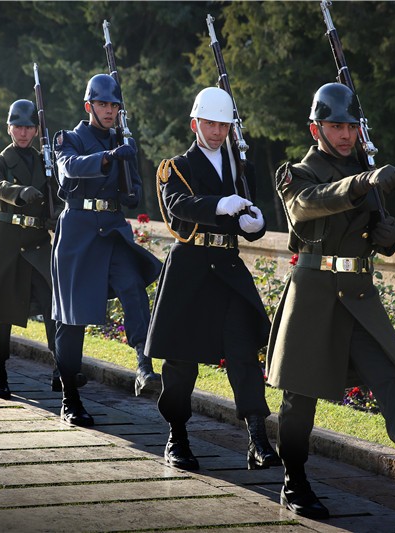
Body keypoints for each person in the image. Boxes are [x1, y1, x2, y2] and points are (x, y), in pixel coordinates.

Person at [266, 82, 395, 519]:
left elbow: (381, 233)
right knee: (299, 398)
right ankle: (293, 479)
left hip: (357, 293)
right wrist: (362, 181)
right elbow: (305, 207)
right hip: (314, 293)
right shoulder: (296, 173)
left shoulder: (365, 169)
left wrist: (387, 234)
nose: (344, 133)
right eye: (335, 125)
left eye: (351, 126)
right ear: (315, 128)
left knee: (390, 375)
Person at [145, 87, 278, 472]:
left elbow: (249, 219)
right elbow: (176, 207)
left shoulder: (241, 167)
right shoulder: (176, 167)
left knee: (243, 354)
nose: (217, 131)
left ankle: (257, 438)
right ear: (195, 123)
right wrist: (220, 204)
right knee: (181, 361)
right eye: (210, 123)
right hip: (190, 267)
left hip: (227, 267)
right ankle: (177, 437)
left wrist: (256, 224)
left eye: (223, 124)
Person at [52, 74, 162, 425]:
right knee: (73, 319)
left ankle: (144, 364)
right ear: (89, 106)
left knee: (132, 287)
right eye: (103, 104)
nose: (110, 110)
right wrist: (108, 156)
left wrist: (131, 186)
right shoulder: (68, 138)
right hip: (78, 235)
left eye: (114, 105)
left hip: (112, 231)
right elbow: (68, 170)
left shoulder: (123, 140)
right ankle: (70, 397)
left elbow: (136, 192)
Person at [0, 100, 61, 398]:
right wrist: (19, 192)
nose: (23, 133)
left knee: (56, 306)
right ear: (8, 128)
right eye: (18, 127)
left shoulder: (45, 161)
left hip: (37, 242)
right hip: (7, 242)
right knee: (1, 310)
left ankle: (62, 367)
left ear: (36, 130)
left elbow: (58, 198)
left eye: (28, 128)